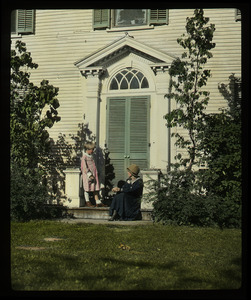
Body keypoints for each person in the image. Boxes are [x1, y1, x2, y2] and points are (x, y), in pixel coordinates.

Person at [81, 142, 106, 207]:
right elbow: (84, 167)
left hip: (94, 174)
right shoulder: (84, 157)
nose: (93, 151)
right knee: (87, 188)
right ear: (88, 149)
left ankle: (97, 201)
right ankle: (87, 201)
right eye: (92, 149)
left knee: (95, 188)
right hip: (88, 175)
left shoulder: (92, 156)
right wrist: (89, 174)